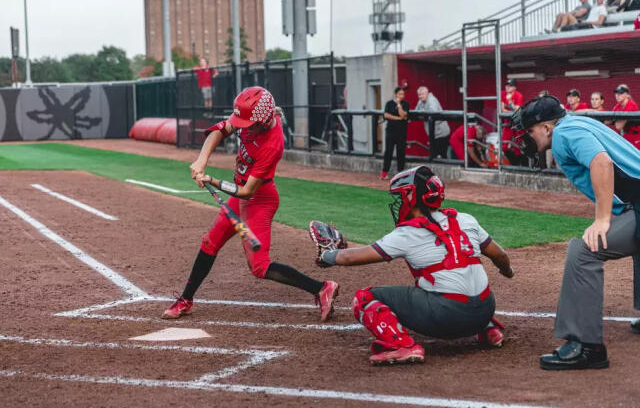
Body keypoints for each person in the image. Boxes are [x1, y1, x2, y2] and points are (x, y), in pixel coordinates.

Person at [162, 86, 339, 321]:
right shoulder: (251, 114)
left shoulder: (272, 144)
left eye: (246, 124)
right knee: (210, 242)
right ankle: (186, 299)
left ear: (264, 121)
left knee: (259, 266)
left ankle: (322, 288)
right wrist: (201, 161)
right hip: (239, 197)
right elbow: (221, 130)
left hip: (259, 200)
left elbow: (247, 192)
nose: (241, 127)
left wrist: (212, 180)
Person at [313, 165, 514, 365]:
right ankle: (488, 329)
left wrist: (328, 255)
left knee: (364, 298)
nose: (399, 203)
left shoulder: (407, 233)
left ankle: (403, 346)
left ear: (410, 196)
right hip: (485, 311)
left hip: (446, 318)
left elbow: (351, 257)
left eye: (401, 197)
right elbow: (501, 256)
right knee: (465, 279)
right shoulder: (465, 219)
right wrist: (508, 272)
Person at [510, 95, 640, 370]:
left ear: (546, 127)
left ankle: (586, 346)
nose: (526, 137)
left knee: (583, 252)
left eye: (530, 130)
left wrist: (602, 219)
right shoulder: (577, 122)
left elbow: (601, 162)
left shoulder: (563, 133)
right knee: (632, 230)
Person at [381, 87, 410, 180]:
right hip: (390, 131)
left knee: (401, 152)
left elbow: (403, 115)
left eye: (403, 94)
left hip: (401, 131)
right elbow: (386, 115)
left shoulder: (405, 103)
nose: (401, 96)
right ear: (396, 94)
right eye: (400, 94)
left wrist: (398, 105)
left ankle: (400, 174)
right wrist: (398, 118)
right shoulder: (389, 103)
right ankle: (384, 172)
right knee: (388, 151)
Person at [415, 86, 450, 158]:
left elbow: (432, 113)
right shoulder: (421, 101)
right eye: (419, 95)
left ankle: (442, 168)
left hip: (441, 133)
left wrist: (422, 116)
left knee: (440, 155)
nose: (420, 96)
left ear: (427, 93)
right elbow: (416, 112)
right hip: (433, 133)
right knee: (434, 154)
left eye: (422, 94)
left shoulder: (432, 100)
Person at [500, 79, 526, 166]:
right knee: (503, 145)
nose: (507, 87)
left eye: (510, 85)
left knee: (518, 146)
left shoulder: (519, 95)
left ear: (515, 87)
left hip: (517, 122)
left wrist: (510, 101)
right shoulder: (503, 93)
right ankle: (514, 163)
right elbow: (502, 109)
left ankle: (521, 165)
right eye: (506, 85)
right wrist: (510, 110)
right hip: (508, 123)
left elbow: (517, 109)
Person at [612, 84, 640, 149]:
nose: (618, 95)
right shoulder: (617, 106)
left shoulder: (630, 104)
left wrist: (614, 120)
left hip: (637, 136)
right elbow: (608, 121)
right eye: (616, 93)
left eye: (621, 93)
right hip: (626, 135)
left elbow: (618, 126)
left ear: (627, 95)